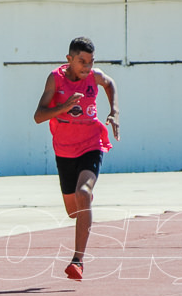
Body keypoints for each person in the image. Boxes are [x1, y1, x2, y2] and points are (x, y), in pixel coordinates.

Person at [34, 36, 119, 281]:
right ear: (69, 59)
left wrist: (114, 111)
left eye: (91, 62)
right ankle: (85, 199)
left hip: (92, 144)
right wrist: (64, 107)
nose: (87, 67)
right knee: (74, 212)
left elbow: (110, 83)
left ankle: (77, 260)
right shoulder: (55, 79)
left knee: (83, 194)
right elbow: (38, 116)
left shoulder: (95, 77)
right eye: (82, 62)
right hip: (64, 150)